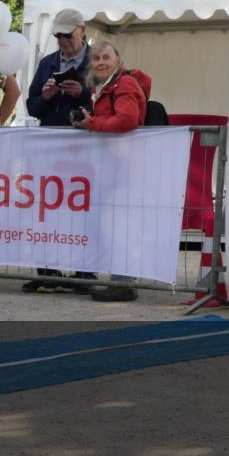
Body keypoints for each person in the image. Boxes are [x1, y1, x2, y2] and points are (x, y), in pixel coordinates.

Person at [72, 39, 151, 302]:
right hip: (114, 163)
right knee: (115, 223)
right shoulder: (105, 86)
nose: (101, 62)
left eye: (106, 57)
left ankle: (123, 282)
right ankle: (121, 280)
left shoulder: (125, 83)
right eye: (96, 59)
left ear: (117, 60)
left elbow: (127, 120)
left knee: (121, 223)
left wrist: (92, 123)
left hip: (124, 164)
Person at [24, 7, 96, 293]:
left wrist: (83, 94)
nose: (63, 40)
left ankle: (85, 274)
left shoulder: (98, 60)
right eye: (59, 35)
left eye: (68, 34)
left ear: (82, 30)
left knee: (84, 209)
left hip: (85, 148)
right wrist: (46, 95)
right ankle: (48, 272)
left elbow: (106, 103)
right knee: (47, 208)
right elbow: (31, 105)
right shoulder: (46, 63)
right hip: (50, 147)